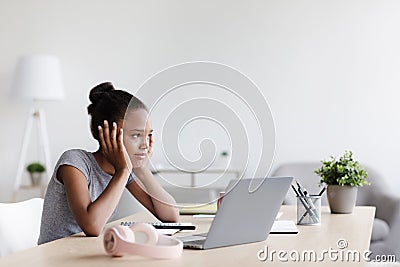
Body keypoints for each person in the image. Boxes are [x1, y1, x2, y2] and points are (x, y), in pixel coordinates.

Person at [38, 82, 179, 244]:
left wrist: (141, 169)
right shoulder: (74, 163)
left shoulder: (125, 170)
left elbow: (171, 217)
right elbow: (92, 226)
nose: (145, 144)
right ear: (107, 134)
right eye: (135, 135)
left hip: (87, 253)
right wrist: (123, 171)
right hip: (57, 256)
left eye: (148, 135)